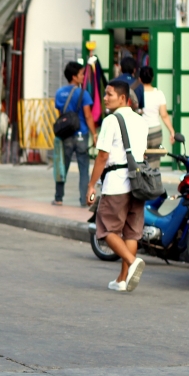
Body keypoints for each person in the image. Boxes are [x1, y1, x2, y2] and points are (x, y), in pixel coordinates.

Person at [87, 80, 148, 293]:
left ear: (123, 98)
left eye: (109, 94)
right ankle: (122, 280)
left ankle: (132, 262)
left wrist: (91, 185)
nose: (105, 98)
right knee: (131, 232)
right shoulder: (141, 121)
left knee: (105, 229)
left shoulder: (111, 120)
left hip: (117, 183)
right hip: (138, 183)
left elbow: (103, 155)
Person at [53, 61, 97, 206]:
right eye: (81, 74)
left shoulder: (59, 93)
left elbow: (61, 114)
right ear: (74, 76)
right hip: (81, 134)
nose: (83, 76)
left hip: (65, 135)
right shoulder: (83, 94)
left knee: (62, 166)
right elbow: (88, 116)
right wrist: (94, 134)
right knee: (83, 169)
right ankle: (84, 201)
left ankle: (58, 198)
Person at [139, 66, 176, 170]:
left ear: (140, 78)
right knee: (154, 161)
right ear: (153, 78)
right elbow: (164, 115)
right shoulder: (159, 94)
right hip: (156, 130)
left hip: (140, 131)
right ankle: (153, 183)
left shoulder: (137, 93)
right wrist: (172, 131)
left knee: (139, 158)